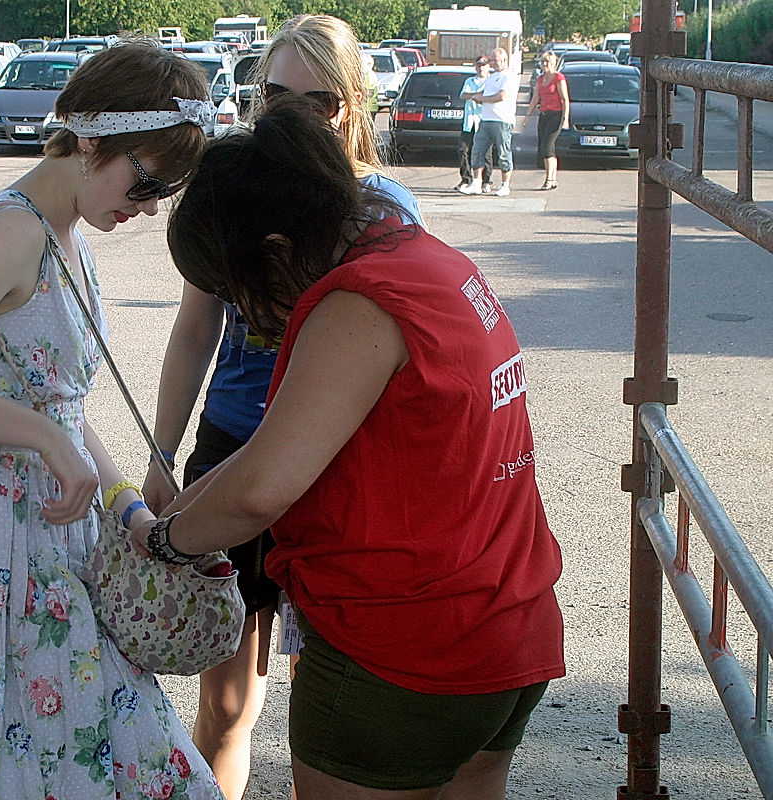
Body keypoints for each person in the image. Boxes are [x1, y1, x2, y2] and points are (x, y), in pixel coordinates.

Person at [138, 97, 565, 799]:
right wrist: (182, 507)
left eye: (239, 294)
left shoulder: (356, 306)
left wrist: (164, 545)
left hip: (400, 656)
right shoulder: (423, 260)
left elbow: (260, 490)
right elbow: (274, 452)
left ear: (274, 252)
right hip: (505, 632)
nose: (247, 315)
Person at [0, 41, 224, 800]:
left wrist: (123, 502)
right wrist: (45, 439)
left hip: (50, 535)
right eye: (146, 178)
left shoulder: (67, 236)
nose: (150, 204)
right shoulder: (11, 231)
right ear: (92, 138)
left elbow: (60, 402)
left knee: (76, 751)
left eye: (164, 189)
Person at [138, 15, 422, 800]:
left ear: (354, 104)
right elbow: (195, 330)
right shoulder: (233, 186)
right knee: (227, 702)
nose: (293, 115)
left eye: (317, 100)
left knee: (322, 697)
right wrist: (163, 457)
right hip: (231, 446)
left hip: (336, 464)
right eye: (275, 95)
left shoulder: (383, 207)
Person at [461, 47, 519, 197]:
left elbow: (501, 96)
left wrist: (483, 99)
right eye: (492, 60)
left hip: (502, 120)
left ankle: (505, 184)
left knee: (503, 153)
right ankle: (476, 182)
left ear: (504, 60)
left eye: (495, 60)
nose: (493, 63)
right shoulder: (492, 77)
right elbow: (485, 95)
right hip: (486, 119)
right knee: (477, 150)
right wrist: (477, 98)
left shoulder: (509, 76)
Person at [522, 51, 569, 190]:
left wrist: (566, 118)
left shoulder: (559, 78)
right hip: (544, 115)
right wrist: (527, 116)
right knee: (547, 148)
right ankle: (553, 179)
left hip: (556, 115)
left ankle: (549, 179)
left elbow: (565, 99)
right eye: (543, 62)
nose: (545, 64)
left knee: (547, 147)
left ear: (554, 63)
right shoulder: (540, 79)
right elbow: (535, 99)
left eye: (548, 62)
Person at [455, 55, 496, 194]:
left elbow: (489, 97)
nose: (481, 68)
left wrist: (480, 96)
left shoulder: (491, 81)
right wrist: (475, 95)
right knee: (463, 150)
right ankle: (466, 179)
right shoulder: (470, 81)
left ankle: (486, 181)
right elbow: (463, 95)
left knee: (486, 153)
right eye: (478, 66)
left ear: (488, 67)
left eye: (483, 66)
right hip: (469, 123)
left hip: (484, 121)